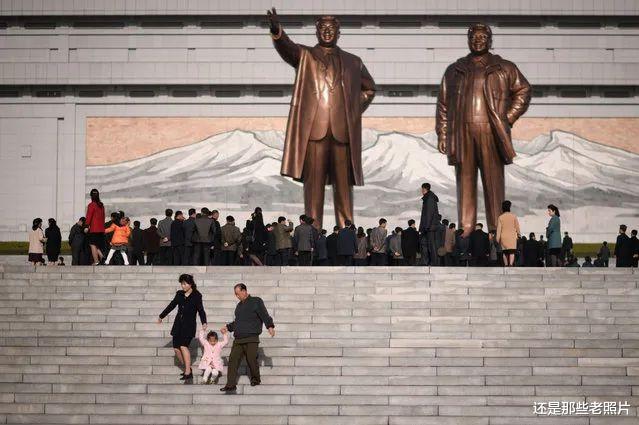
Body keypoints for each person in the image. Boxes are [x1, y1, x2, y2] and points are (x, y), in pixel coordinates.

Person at [267, 9, 376, 229]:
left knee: (344, 189)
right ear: (317, 32)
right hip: (315, 132)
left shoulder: (353, 62)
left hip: (342, 134)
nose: (327, 32)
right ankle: (313, 234)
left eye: (331, 29)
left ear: (339, 33)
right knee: (313, 188)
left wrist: (352, 109)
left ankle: (347, 233)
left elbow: (369, 89)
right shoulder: (305, 56)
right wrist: (277, 32)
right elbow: (287, 49)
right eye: (323, 29)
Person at [436, 23, 531, 235]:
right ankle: (465, 231)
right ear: (468, 40)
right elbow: (443, 104)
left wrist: (507, 118)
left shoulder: (504, 67)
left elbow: (523, 91)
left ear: (490, 40)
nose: (477, 40)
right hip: (462, 133)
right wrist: (442, 133)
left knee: (493, 182)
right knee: (465, 183)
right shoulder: (454, 70)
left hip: (491, 131)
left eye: (482, 37)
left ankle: (496, 232)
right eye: (473, 37)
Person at [220, 283, 275, 393]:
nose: (237, 296)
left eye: (238, 293)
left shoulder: (256, 301)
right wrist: (228, 327)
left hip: (251, 337)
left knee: (251, 359)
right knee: (233, 360)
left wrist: (270, 326)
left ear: (244, 291)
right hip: (238, 339)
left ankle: (255, 379)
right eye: (235, 294)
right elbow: (237, 322)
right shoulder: (239, 306)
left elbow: (264, 314)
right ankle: (230, 385)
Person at [158, 274, 207, 382]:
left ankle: (188, 372)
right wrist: (161, 316)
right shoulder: (179, 294)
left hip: (189, 326)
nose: (183, 286)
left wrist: (204, 322)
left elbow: (201, 310)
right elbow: (171, 305)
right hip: (178, 325)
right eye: (182, 284)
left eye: (185, 284)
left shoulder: (197, 295)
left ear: (190, 284)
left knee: (183, 346)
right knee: (176, 349)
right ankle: (187, 368)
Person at [418, 183, 440, 266]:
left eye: (422, 189)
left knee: (431, 245)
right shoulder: (428, 198)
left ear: (424, 189)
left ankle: (434, 262)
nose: (421, 191)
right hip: (427, 226)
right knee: (424, 244)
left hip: (429, 227)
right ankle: (425, 262)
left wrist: (426, 227)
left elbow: (429, 214)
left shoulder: (429, 198)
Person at [495, 200, 521, 267]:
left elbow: (499, 229)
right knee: (512, 252)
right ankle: (511, 264)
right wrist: (519, 234)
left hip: (504, 237)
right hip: (512, 237)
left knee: (505, 252)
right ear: (509, 207)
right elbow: (517, 227)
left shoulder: (500, 217)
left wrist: (497, 239)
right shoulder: (514, 216)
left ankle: (506, 264)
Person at [85, 188, 106, 265]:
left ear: (91, 196)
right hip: (101, 229)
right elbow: (103, 217)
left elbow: (89, 216)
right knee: (96, 244)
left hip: (94, 229)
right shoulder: (101, 205)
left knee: (92, 244)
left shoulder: (91, 205)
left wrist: (86, 226)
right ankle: (102, 257)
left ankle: (96, 261)